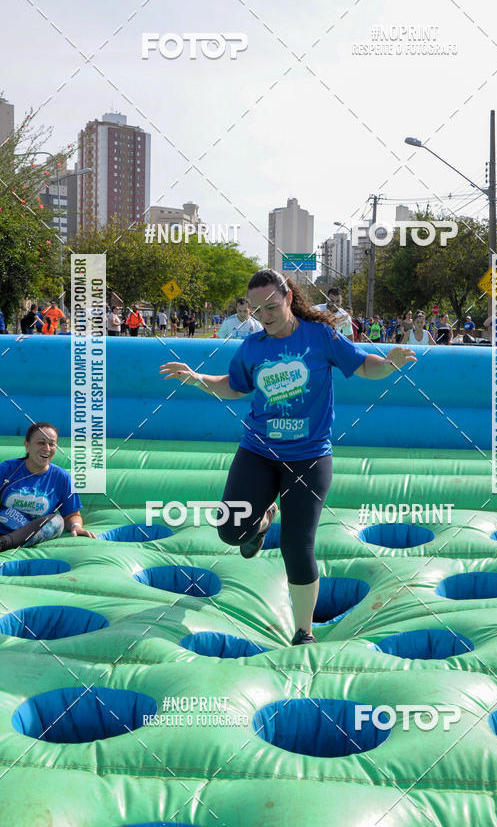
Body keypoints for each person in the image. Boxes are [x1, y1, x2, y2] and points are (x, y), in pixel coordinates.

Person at [160, 268, 417, 646]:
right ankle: (263, 519)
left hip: (309, 457)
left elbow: (363, 365)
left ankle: (303, 630)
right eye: (257, 310)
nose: (265, 316)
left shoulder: (320, 336)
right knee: (230, 530)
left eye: (272, 307)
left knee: (297, 544)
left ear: (289, 299)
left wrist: (389, 362)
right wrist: (199, 379)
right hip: (259, 450)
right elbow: (234, 387)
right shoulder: (253, 347)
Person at [0, 422, 96, 552]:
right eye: (41, 443)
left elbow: (72, 515)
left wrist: (76, 526)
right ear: (27, 445)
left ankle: (5, 543)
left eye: (52, 444)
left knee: (57, 521)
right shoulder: (7, 469)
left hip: (33, 534)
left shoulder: (61, 477)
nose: (47, 448)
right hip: (3, 526)